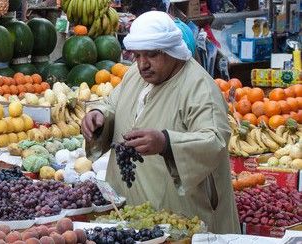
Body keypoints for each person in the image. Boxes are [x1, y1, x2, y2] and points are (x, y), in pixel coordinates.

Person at [82, 11, 240, 234]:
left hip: (181, 217)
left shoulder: (199, 88)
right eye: (137, 56)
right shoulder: (134, 76)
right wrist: (98, 115)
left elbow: (215, 141)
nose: (143, 64)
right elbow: (112, 104)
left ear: (171, 50)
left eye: (152, 55)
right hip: (132, 211)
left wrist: (167, 142)